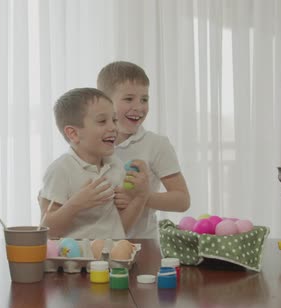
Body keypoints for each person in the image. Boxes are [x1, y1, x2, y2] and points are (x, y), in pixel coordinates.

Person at [38, 87, 149, 239]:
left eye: (114, 120)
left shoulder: (115, 166)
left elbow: (119, 230)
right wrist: (76, 204)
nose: (113, 127)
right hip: (73, 261)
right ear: (74, 133)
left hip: (110, 257)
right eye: (102, 121)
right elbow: (48, 231)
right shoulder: (60, 170)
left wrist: (140, 197)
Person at [97, 61, 191, 240]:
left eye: (144, 99)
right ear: (106, 101)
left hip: (142, 243)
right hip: (97, 244)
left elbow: (182, 200)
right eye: (129, 99)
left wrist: (140, 197)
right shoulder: (92, 143)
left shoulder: (156, 144)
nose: (139, 107)